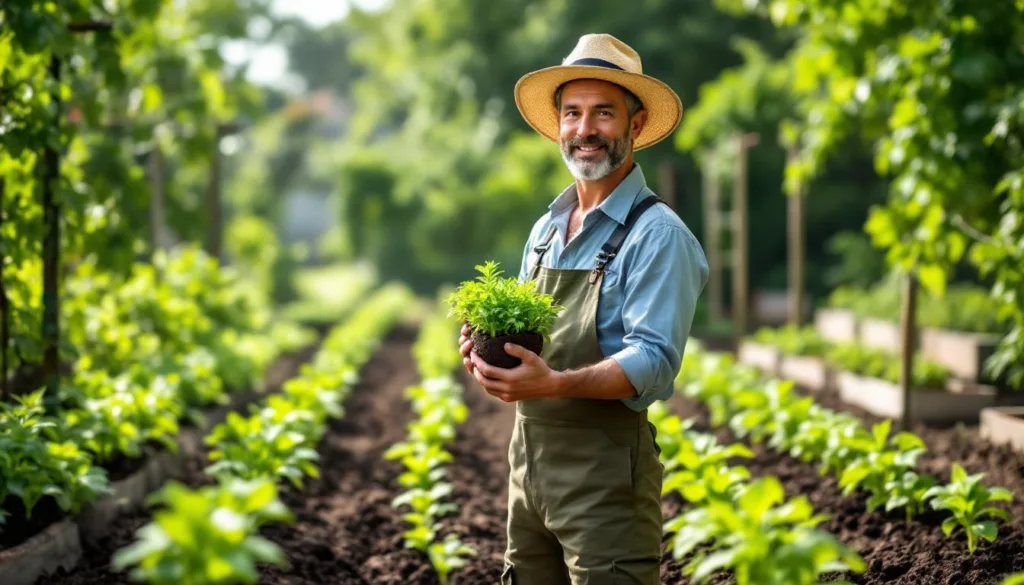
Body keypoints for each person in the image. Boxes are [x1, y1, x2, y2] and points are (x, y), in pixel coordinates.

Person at [458, 33, 709, 585]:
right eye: (572, 113)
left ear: (636, 125)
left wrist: (553, 384)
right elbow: (526, 336)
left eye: (603, 113)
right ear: (558, 124)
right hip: (528, 474)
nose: (585, 130)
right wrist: (486, 352)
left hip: (606, 487)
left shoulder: (658, 236)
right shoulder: (546, 230)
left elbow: (654, 362)